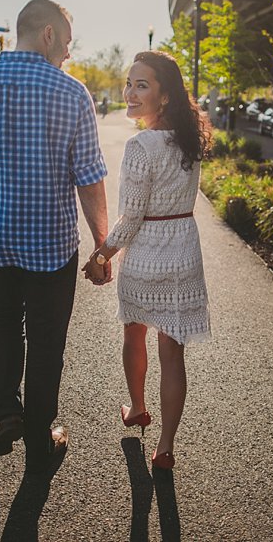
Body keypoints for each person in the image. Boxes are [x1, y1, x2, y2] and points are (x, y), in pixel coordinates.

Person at [0, 0, 110, 475]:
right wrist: (101, 244)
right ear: (48, 34)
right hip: (50, 248)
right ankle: (39, 435)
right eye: (67, 44)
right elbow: (89, 179)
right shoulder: (72, 94)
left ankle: (7, 411)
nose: (68, 55)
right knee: (48, 338)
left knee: (2, 321)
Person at [82, 50, 211, 470]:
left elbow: (132, 216)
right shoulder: (189, 140)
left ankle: (137, 407)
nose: (130, 92)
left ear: (165, 95)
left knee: (134, 335)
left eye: (142, 84)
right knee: (172, 353)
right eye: (129, 82)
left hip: (146, 256)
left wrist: (101, 253)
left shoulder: (141, 145)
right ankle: (165, 447)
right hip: (183, 252)